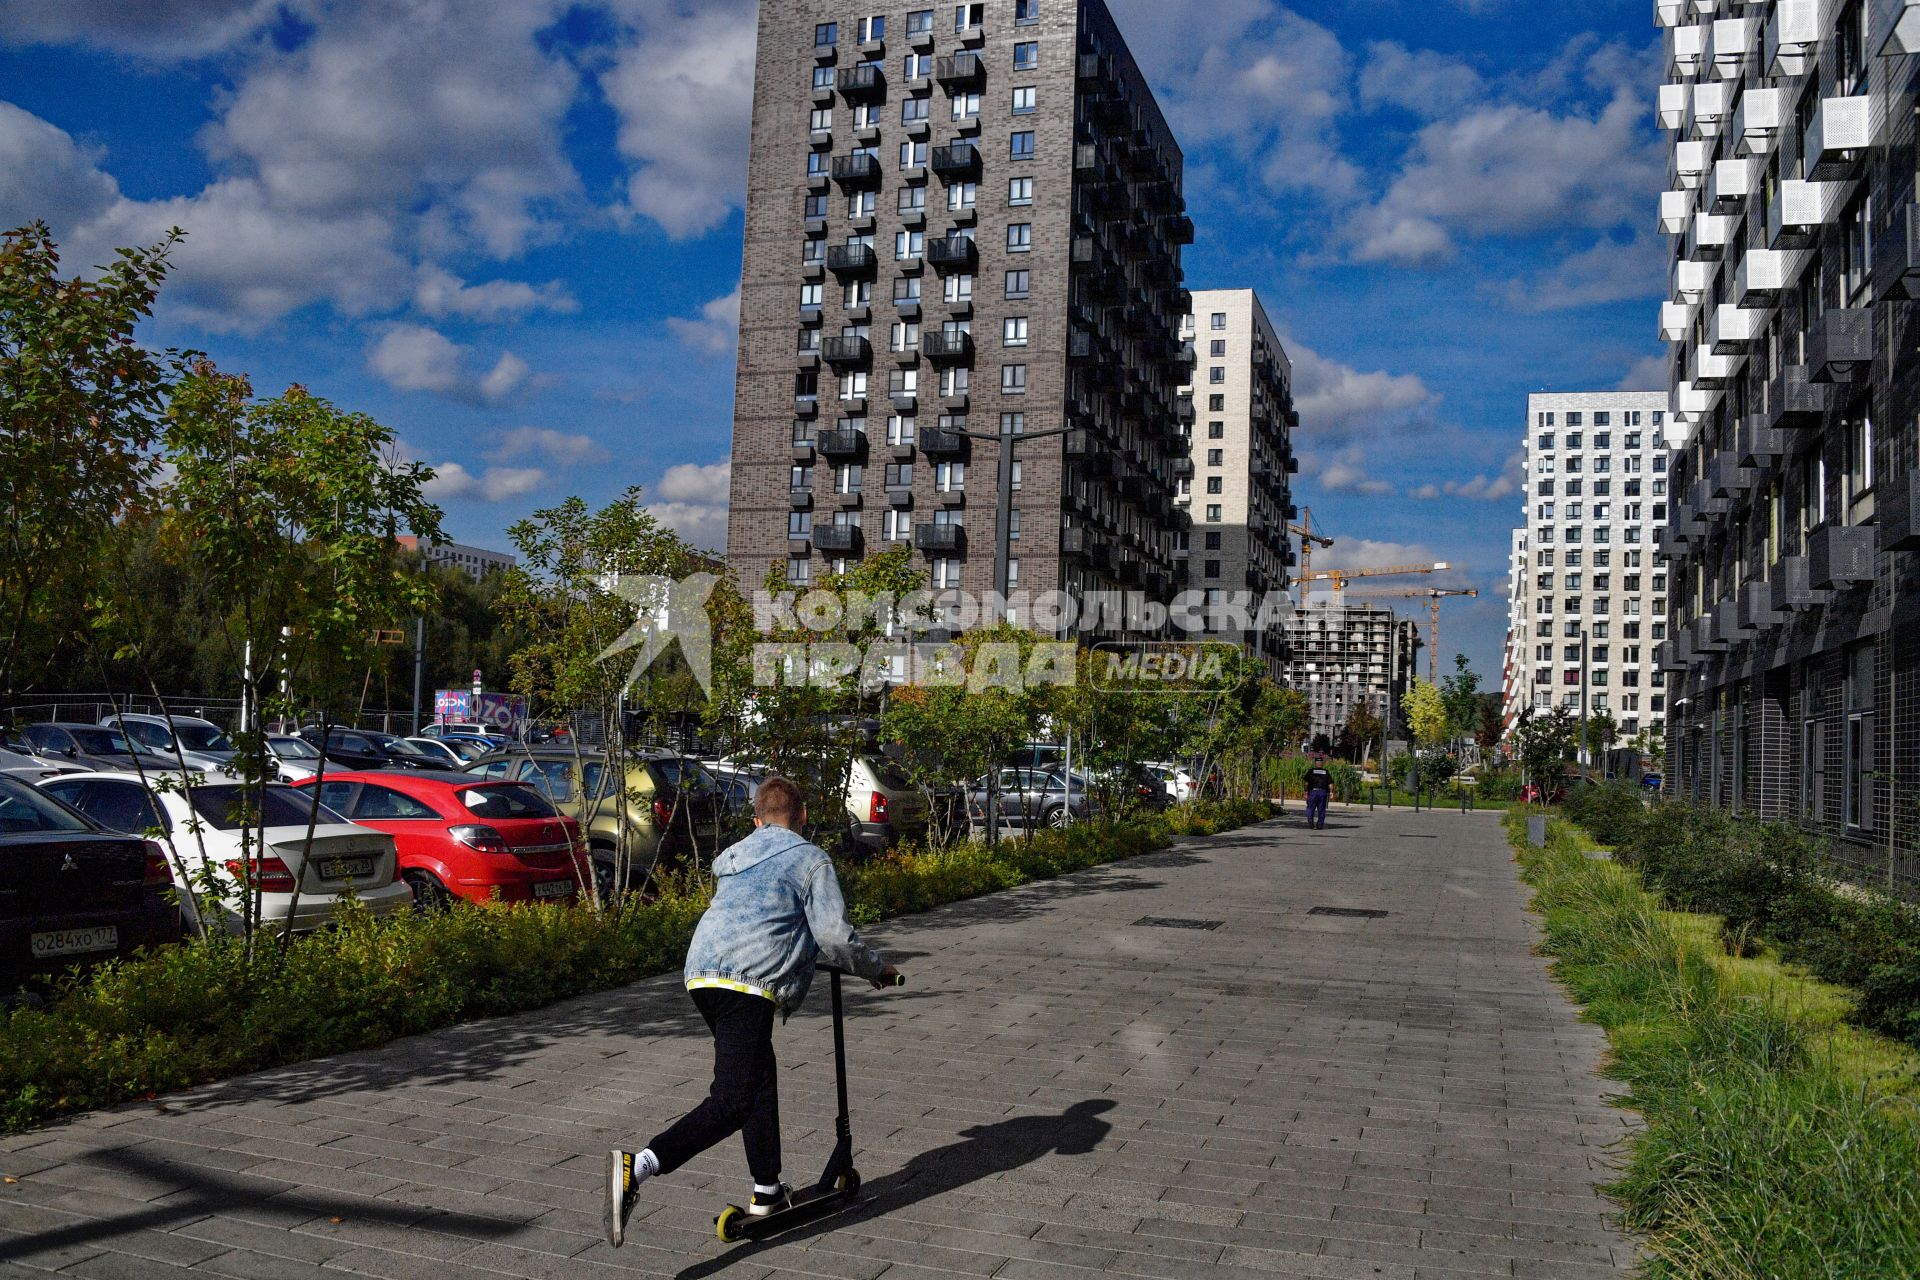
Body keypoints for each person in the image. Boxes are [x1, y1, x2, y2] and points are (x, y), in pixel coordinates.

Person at [605, 775, 899, 1247]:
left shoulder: (737, 856)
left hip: (702, 974)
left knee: (758, 1078)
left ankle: (767, 1190)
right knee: (732, 1100)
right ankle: (638, 1166)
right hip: (747, 982)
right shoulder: (810, 859)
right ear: (802, 817)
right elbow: (835, 936)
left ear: (757, 819)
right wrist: (875, 969)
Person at [1302, 755, 1333, 830]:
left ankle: (1311, 823)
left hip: (1313, 792)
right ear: (1322, 763)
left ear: (1315, 763)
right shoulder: (1326, 772)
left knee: (1310, 808)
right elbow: (1330, 783)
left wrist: (1306, 792)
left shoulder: (1311, 771)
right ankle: (1319, 825)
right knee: (1321, 809)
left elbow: (1306, 783)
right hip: (1322, 792)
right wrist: (1331, 792)